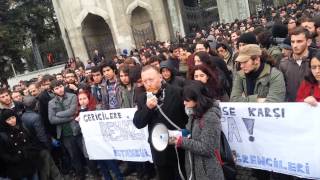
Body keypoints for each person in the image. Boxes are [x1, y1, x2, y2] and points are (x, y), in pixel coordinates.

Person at [133, 65, 188, 180]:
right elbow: (138, 123)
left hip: (178, 148)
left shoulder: (177, 92)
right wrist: (148, 108)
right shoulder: (142, 98)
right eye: (144, 81)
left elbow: (186, 118)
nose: (148, 83)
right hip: (159, 149)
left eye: (151, 79)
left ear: (160, 76)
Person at [171, 80, 224, 180]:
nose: (184, 103)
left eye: (187, 100)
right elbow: (191, 132)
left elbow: (207, 148)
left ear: (197, 99)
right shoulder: (194, 113)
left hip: (207, 172)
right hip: (194, 168)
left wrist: (181, 141)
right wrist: (182, 133)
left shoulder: (210, 117)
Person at [48, 80, 85, 180]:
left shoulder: (72, 96)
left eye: (60, 86)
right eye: (56, 88)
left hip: (77, 129)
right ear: (53, 91)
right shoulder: (51, 103)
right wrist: (69, 118)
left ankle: (94, 170)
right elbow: (52, 119)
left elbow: (73, 110)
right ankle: (80, 174)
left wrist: (58, 114)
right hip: (65, 133)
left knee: (85, 152)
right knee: (73, 155)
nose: (59, 89)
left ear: (63, 86)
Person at [21, 96, 63, 180]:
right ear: (35, 105)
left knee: (51, 166)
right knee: (45, 169)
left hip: (33, 146)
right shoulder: (36, 117)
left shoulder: (22, 116)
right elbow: (41, 135)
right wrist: (48, 146)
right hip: (41, 147)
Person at [0, 109, 41, 180]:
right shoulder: (3, 135)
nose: (12, 120)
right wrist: (14, 159)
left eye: (13, 117)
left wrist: (32, 153)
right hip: (18, 169)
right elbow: (3, 154)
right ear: (4, 121)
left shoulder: (23, 127)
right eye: (8, 119)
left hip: (31, 163)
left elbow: (32, 141)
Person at [279, 27, 318, 102]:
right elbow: (281, 90)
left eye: (299, 41)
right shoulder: (284, 63)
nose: (295, 45)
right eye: (293, 42)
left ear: (308, 42)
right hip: (292, 109)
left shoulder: (316, 62)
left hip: (314, 108)